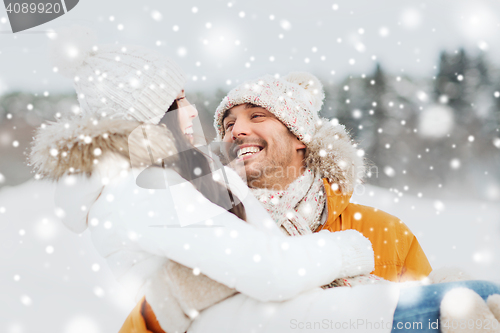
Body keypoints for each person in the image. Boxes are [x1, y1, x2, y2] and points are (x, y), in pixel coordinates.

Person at [31, 26, 380, 333]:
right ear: (152, 117)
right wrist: (349, 249)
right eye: (178, 100)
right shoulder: (141, 189)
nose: (193, 110)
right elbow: (272, 270)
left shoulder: (173, 179)